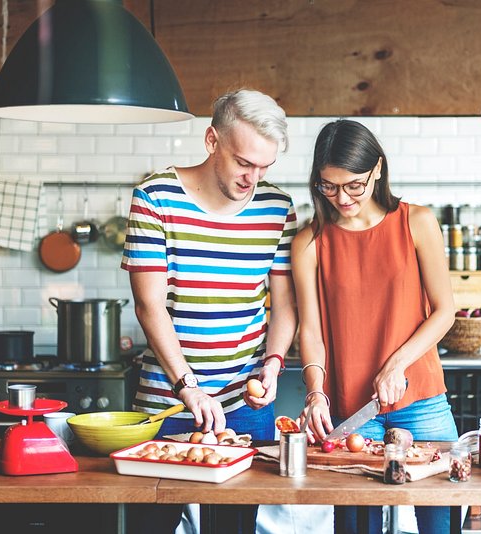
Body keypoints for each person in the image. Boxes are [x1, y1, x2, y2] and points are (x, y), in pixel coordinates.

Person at [121, 88, 297, 534]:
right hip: (167, 404)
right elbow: (149, 305)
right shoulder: (155, 197)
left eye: (264, 166)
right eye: (243, 162)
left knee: (236, 529)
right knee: (152, 527)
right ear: (211, 140)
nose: (252, 178)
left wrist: (273, 367)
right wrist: (188, 387)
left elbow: (285, 307)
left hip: (245, 405)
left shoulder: (277, 208)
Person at [291, 119, 459, 534]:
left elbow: (444, 310)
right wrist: (315, 393)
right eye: (328, 186)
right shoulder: (309, 243)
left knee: (441, 524)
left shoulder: (416, 222)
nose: (341, 197)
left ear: (378, 169)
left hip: (422, 400)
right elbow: (310, 333)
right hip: (352, 409)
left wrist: (397, 364)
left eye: (353, 185)